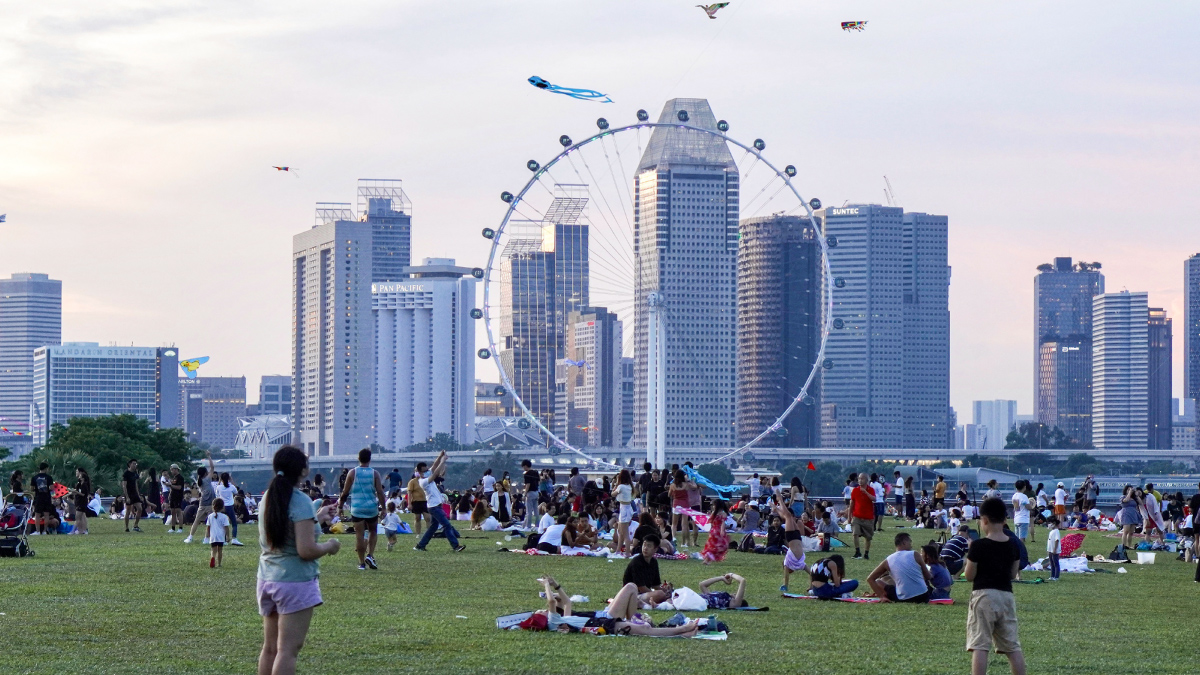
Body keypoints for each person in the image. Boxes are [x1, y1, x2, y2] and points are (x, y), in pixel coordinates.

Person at [257, 446, 340, 675]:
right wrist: (330, 547)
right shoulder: (300, 500)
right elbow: (306, 550)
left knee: (270, 648)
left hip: (267, 578)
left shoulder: (268, 498)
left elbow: (288, 529)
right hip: (293, 582)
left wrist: (318, 516)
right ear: (303, 470)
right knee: (288, 650)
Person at [964, 497, 1026, 675]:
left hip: (983, 596)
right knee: (1012, 646)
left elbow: (969, 575)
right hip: (1006, 596)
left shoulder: (978, 545)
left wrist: (970, 552)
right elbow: (1013, 574)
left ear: (984, 521)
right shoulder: (1014, 545)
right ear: (1005, 519)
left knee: (980, 645)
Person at [532, 576, 699, 637]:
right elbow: (552, 603)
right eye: (541, 612)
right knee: (646, 629)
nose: (542, 609)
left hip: (604, 618)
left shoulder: (563, 618)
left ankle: (686, 633)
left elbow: (566, 602)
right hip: (603, 623)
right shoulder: (553, 622)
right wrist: (546, 586)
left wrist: (555, 585)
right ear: (543, 619)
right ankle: (683, 630)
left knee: (632, 588)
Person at [339, 448, 385, 570]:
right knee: (373, 531)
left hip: (357, 508)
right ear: (370, 459)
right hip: (371, 508)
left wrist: (340, 507)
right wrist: (384, 508)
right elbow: (380, 492)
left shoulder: (352, 473)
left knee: (359, 535)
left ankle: (361, 563)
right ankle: (370, 555)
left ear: (358, 458)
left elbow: (345, 492)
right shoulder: (375, 473)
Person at [413, 450, 465, 552]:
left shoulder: (426, 475)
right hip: (434, 507)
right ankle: (455, 546)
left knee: (433, 528)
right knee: (447, 525)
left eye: (427, 469)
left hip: (436, 506)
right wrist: (443, 461)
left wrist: (440, 456)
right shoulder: (423, 481)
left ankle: (420, 546)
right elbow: (436, 473)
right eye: (425, 470)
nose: (428, 471)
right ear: (419, 472)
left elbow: (434, 466)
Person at [867, 532, 932, 603]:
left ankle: (884, 596)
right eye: (910, 542)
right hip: (923, 596)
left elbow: (870, 579)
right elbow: (928, 576)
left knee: (879, 582)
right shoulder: (915, 554)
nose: (911, 545)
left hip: (903, 598)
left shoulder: (888, 560)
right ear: (904, 542)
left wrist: (881, 596)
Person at [772, 492, 807, 592]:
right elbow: (811, 573)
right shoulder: (798, 563)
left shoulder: (790, 562)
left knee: (788, 516)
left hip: (792, 537)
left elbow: (786, 577)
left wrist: (785, 586)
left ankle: (779, 501)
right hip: (796, 537)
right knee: (788, 516)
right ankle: (779, 502)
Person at [185, 451, 217, 543]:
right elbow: (212, 467)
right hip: (211, 503)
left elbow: (211, 469)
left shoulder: (200, 482)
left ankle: (190, 537)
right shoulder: (207, 479)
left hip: (203, 503)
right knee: (210, 522)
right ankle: (207, 538)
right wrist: (209, 456)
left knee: (197, 520)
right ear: (205, 473)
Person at [850, 472, 876, 560]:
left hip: (868, 517)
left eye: (862, 479)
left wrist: (865, 492)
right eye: (859, 479)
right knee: (855, 533)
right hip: (857, 516)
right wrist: (850, 516)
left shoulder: (871, 489)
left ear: (867, 480)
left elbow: (874, 499)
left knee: (868, 537)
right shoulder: (855, 490)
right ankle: (857, 551)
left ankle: (866, 553)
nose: (860, 480)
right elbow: (852, 503)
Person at [215, 472, 244, 546]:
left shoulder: (219, 487)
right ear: (228, 478)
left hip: (222, 507)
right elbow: (236, 491)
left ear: (221, 479)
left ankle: (223, 540)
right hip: (230, 506)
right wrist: (232, 481)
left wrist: (219, 481)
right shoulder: (231, 487)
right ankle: (234, 539)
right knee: (234, 523)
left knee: (222, 524)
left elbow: (217, 493)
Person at [700, 499, 729, 563]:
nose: (713, 506)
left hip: (713, 531)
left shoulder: (714, 513)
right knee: (721, 546)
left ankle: (708, 558)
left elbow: (711, 523)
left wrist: (710, 530)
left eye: (713, 505)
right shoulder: (723, 514)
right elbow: (722, 523)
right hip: (718, 531)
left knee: (712, 545)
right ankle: (710, 557)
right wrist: (722, 531)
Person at [30, 463, 55, 535]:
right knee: (46, 514)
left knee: (37, 515)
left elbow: (32, 488)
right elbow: (51, 488)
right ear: (46, 468)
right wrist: (52, 494)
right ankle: (44, 531)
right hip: (47, 497)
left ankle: (37, 531)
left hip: (38, 497)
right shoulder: (49, 477)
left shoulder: (34, 477)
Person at [207, 497, 232, 568]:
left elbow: (208, 527)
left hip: (213, 536)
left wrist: (207, 535)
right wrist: (227, 536)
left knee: (213, 549)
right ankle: (219, 564)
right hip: (221, 536)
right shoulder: (224, 517)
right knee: (220, 550)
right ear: (222, 507)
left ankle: (212, 557)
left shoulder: (210, 516)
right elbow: (226, 527)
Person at [122, 459, 143, 533]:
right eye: (134, 464)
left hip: (135, 493)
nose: (135, 465)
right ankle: (126, 527)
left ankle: (135, 525)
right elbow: (124, 486)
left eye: (136, 464)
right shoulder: (126, 473)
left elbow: (136, 484)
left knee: (140, 508)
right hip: (129, 493)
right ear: (130, 464)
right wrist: (127, 497)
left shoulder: (135, 473)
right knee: (128, 510)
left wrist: (138, 494)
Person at [407, 463, 429, 536]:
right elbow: (409, 493)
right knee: (417, 518)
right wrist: (409, 503)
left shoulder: (426, 480)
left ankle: (429, 533)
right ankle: (418, 533)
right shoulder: (412, 482)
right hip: (416, 502)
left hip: (425, 501)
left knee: (427, 517)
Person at [71, 467, 92, 535]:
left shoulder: (84, 485)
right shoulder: (80, 484)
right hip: (79, 501)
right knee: (82, 516)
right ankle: (82, 529)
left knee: (78, 517)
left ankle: (79, 530)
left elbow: (83, 494)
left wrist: (76, 492)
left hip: (81, 502)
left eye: (77, 472)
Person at [166, 464, 186, 533]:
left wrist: (170, 485)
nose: (171, 471)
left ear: (176, 469)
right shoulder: (174, 478)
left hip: (178, 496)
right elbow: (173, 486)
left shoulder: (180, 478)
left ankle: (180, 528)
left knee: (178, 511)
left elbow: (179, 487)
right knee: (172, 512)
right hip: (172, 496)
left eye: (172, 469)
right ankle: (173, 528)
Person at [521, 460, 539, 530]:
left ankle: (528, 526)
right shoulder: (536, 472)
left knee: (529, 511)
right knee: (536, 510)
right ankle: (537, 525)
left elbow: (528, 485)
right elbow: (538, 482)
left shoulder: (527, 474)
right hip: (536, 492)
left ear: (525, 466)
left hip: (530, 493)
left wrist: (524, 494)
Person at [1044, 516, 1062, 581]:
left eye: (1050, 523)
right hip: (1050, 550)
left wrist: (1054, 549)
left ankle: (1056, 577)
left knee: (1055, 563)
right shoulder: (1051, 531)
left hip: (1054, 550)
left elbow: (1056, 540)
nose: (1049, 525)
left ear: (1054, 523)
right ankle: (1052, 576)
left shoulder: (1056, 531)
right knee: (1051, 563)